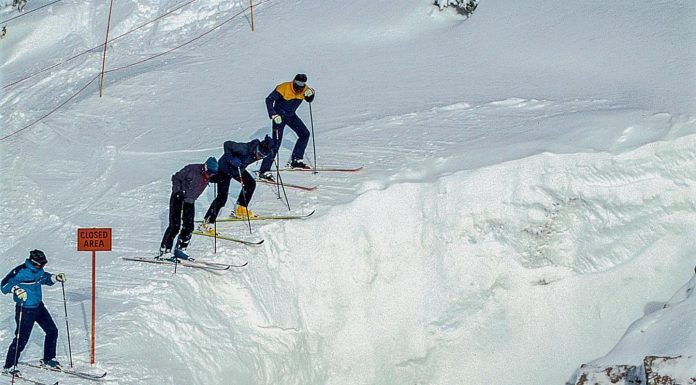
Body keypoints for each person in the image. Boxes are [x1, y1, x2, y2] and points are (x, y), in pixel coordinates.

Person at [1, 250, 66, 376]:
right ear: (33, 262)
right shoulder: (20, 271)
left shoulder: (39, 270)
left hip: (38, 306)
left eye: (43, 264)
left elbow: (44, 278)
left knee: (52, 331)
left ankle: (48, 359)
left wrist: (54, 278)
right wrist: (16, 290)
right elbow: (4, 286)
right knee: (21, 338)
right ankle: (9, 366)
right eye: (40, 264)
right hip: (25, 309)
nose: (41, 267)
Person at [200, 135, 275, 228]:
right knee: (222, 198)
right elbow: (227, 144)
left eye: (262, 156)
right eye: (259, 154)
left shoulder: (258, 152)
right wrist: (231, 158)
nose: (259, 157)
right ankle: (207, 223)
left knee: (250, 183)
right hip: (224, 170)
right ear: (257, 148)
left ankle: (241, 209)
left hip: (237, 170)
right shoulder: (244, 148)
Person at [258, 74, 316, 181]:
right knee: (276, 143)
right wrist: (273, 114)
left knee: (304, 134)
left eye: (302, 84)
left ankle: (296, 160)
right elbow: (269, 100)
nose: (300, 86)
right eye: (298, 83)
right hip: (279, 118)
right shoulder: (283, 88)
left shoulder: (305, 89)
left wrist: (311, 94)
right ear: (294, 81)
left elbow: (309, 100)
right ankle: (263, 171)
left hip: (291, 116)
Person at [159, 157, 219, 259]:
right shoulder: (191, 169)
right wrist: (178, 191)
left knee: (189, 226)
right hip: (178, 197)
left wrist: (217, 178)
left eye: (212, 174)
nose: (210, 175)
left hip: (190, 201)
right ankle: (165, 251)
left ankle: (181, 249)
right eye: (209, 173)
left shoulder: (209, 175)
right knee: (175, 226)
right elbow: (176, 177)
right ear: (205, 167)